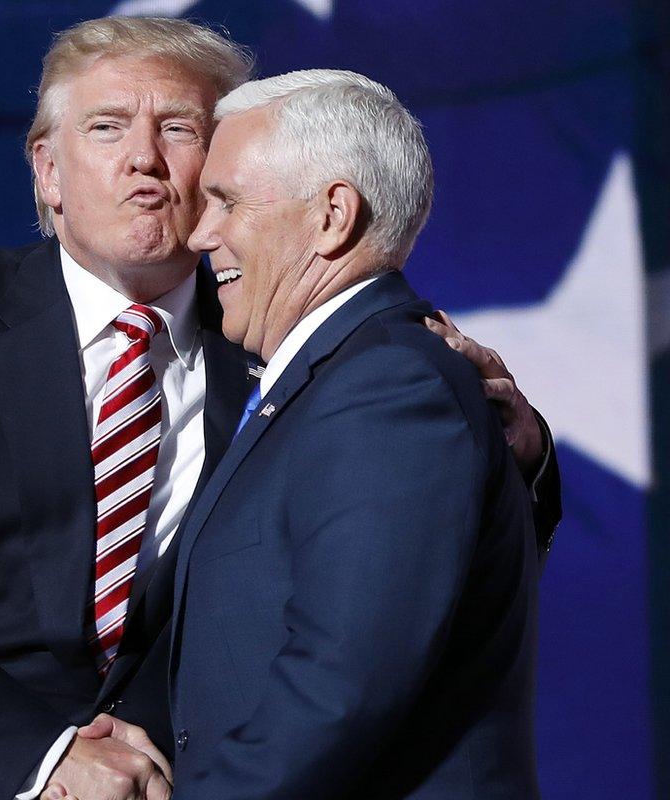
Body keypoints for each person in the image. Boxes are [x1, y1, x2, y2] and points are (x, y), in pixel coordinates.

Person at [0, 18, 557, 800]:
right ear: (48, 172)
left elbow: (388, 570)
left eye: (179, 129)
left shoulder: (304, 354)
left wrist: (519, 461)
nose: (144, 160)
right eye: (106, 128)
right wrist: (41, 760)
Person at [135, 69, 541, 798]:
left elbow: (340, 686)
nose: (200, 233)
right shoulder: (327, 384)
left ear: (332, 216)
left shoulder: (385, 387)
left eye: (225, 200)